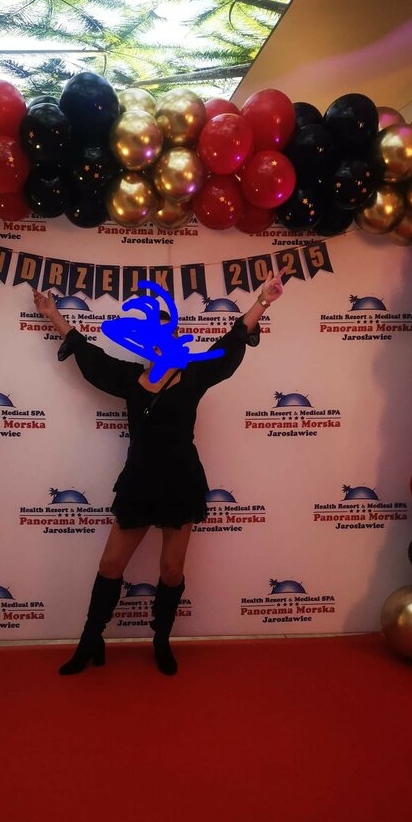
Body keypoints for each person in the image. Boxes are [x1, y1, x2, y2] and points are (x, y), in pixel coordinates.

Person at [32, 269, 286, 676]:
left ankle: (161, 640)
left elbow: (233, 339)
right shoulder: (129, 378)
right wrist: (53, 315)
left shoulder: (196, 375)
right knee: (110, 566)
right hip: (139, 482)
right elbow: (88, 354)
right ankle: (90, 641)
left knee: (171, 570)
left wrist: (263, 301)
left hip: (181, 481)